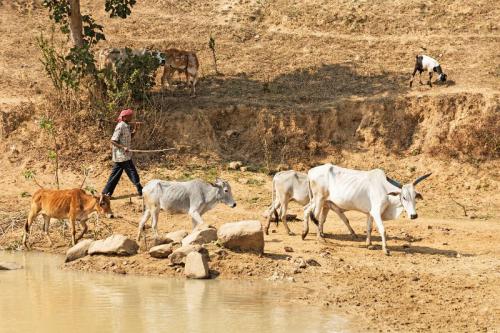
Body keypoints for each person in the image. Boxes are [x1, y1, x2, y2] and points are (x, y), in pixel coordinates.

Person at [102, 109, 143, 198]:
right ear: (124, 117)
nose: (132, 117)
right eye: (130, 116)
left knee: (115, 175)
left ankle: (106, 193)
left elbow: (129, 137)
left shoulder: (126, 125)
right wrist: (123, 147)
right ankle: (141, 191)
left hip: (125, 155)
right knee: (132, 172)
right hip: (121, 155)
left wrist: (136, 129)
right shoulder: (120, 126)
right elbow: (113, 140)